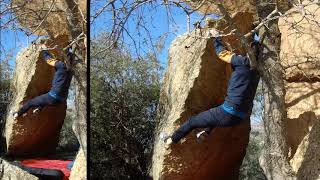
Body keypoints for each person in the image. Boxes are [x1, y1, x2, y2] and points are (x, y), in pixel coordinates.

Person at [160, 31, 260, 145]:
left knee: (192, 122)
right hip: (239, 117)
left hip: (227, 113)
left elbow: (222, 53)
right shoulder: (257, 72)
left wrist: (215, 37)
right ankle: (206, 132)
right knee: (215, 113)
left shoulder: (242, 62)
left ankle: (171, 139)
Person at [13, 44, 74, 119]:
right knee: (45, 96)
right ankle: (39, 108)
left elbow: (49, 60)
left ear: (65, 59)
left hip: (52, 97)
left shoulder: (61, 65)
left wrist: (44, 50)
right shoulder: (71, 71)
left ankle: (17, 114)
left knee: (30, 103)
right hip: (61, 100)